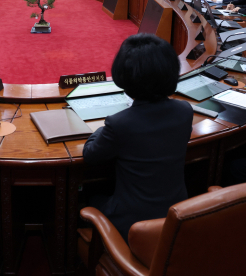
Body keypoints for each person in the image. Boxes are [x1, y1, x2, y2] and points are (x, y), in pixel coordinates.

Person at [83, 34, 193, 239]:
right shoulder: (185, 110)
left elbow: (90, 155)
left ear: (124, 76)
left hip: (133, 223)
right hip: (177, 214)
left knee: (86, 196)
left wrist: (102, 127)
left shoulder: (119, 123)